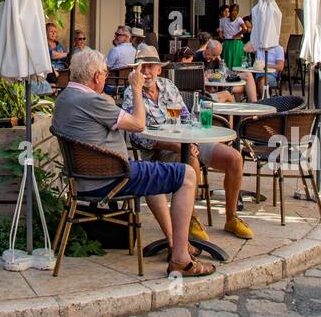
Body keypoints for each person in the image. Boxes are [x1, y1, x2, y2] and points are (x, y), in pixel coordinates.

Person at [52, 48, 213, 277]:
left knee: (153, 174)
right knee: (187, 174)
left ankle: (174, 242)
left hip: (85, 180)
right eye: (105, 74)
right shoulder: (92, 101)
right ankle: (180, 258)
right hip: (112, 179)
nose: (106, 78)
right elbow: (138, 124)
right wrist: (136, 89)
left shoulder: (65, 98)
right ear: (97, 76)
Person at [121, 45, 251, 240]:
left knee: (234, 158)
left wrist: (193, 140)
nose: (146, 72)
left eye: (150, 66)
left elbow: (186, 115)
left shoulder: (168, 86)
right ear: (135, 70)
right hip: (159, 150)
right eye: (141, 67)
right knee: (191, 160)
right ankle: (191, 219)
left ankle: (231, 217)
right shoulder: (132, 93)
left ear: (159, 69)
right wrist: (175, 145)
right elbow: (138, 136)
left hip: (186, 141)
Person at [195, 38, 261, 103]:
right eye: (213, 55)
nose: (214, 58)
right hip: (210, 91)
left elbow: (223, 74)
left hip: (222, 85)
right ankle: (240, 109)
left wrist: (221, 65)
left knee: (248, 76)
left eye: (217, 55)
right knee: (240, 89)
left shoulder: (216, 59)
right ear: (207, 49)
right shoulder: (196, 58)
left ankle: (253, 104)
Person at [219, 5, 245, 70]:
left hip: (231, 43)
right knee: (235, 63)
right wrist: (237, 35)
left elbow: (220, 35)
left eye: (236, 11)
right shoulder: (238, 19)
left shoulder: (222, 20)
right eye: (234, 10)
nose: (235, 12)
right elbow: (245, 29)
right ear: (230, 11)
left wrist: (233, 35)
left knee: (228, 63)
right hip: (235, 43)